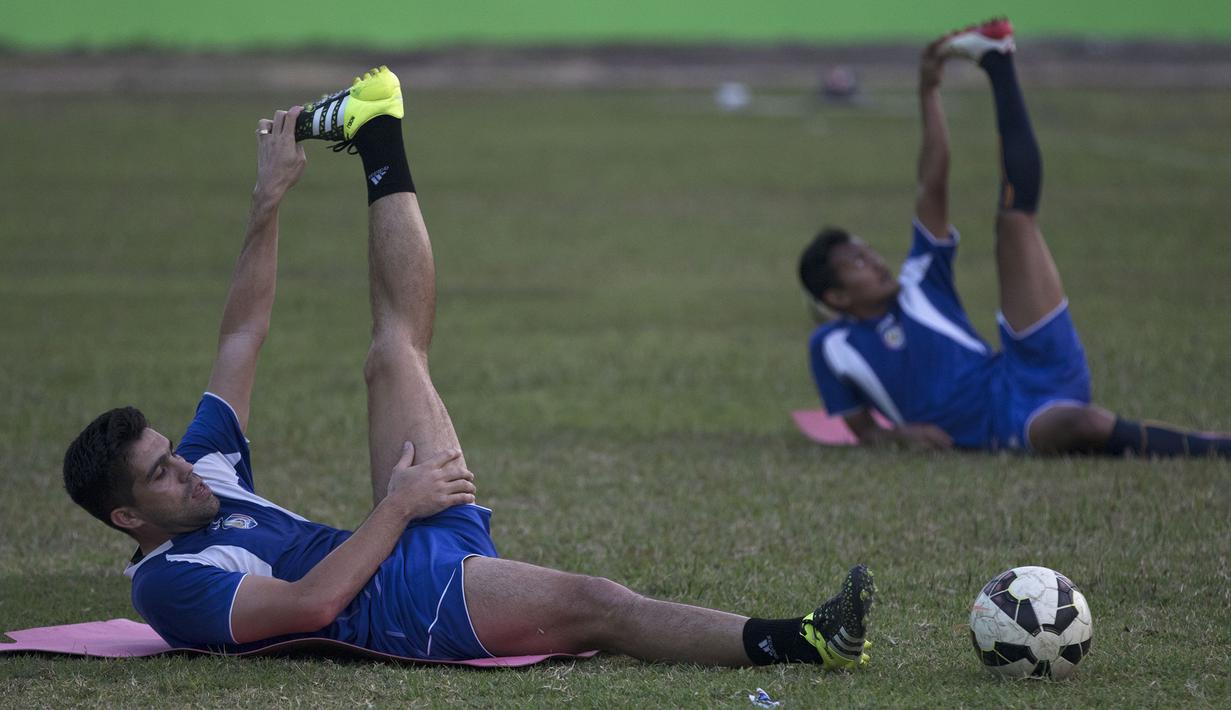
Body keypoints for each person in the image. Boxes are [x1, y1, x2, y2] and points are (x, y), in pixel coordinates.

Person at [63, 66, 874, 669]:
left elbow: (242, 335)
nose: (187, 472)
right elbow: (313, 604)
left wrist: (266, 198)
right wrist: (400, 505)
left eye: (171, 454)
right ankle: (805, 641)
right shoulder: (170, 586)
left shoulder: (203, 473)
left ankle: (378, 134)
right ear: (128, 519)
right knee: (600, 606)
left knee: (394, 353)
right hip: (394, 607)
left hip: (402, 534)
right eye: (162, 476)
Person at [798, 19, 1231, 456]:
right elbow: (863, 431)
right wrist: (900, 436)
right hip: (999, 421)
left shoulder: (919, 278)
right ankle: (1215, 447)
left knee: (1015, 222)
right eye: (857, 263)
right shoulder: (832, 347)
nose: (875, 262)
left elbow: (932, 184)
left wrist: (929, 91)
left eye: (869, 252)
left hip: (1022, 367)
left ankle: (999, 60)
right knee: (1085, 423)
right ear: (836, 297)